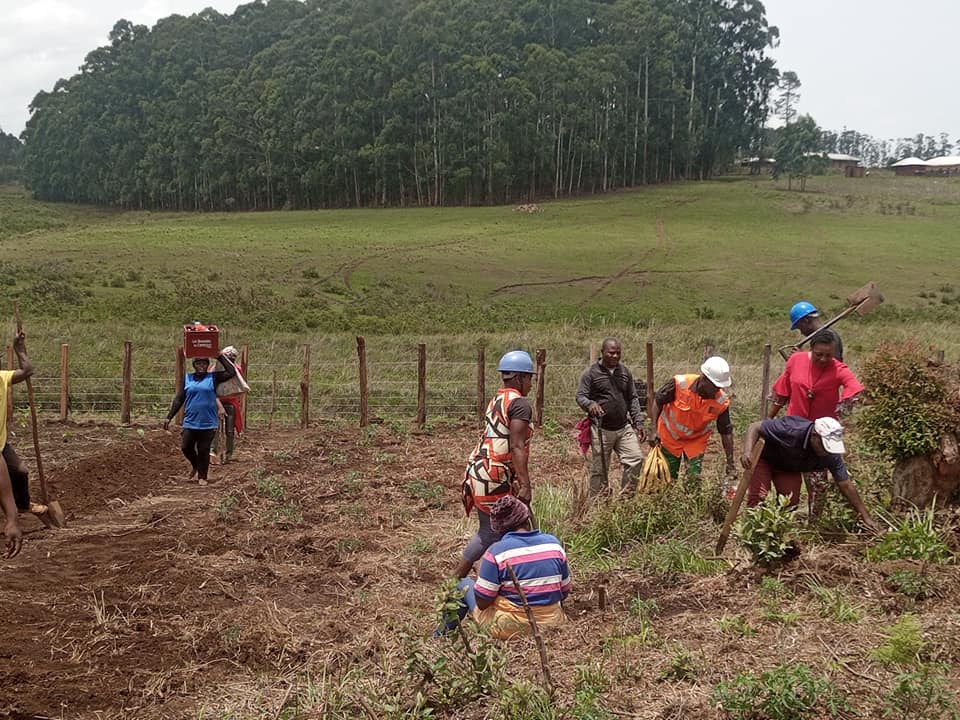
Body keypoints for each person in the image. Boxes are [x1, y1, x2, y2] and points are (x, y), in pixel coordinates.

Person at [456, 350, 535, 580]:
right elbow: (517, 446)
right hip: (494, 475)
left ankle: (493, 578)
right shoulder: (520, 404)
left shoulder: (498, 399)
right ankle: (458, 582)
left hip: (480, 472)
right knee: (503, 531)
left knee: (491, 532)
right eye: (529, 377)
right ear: (520, 377)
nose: (531, 383)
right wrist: (525, 485)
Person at [444, 495, 570, 639]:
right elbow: (564, 591)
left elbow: (483, 602)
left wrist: (480, 572)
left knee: (462, 584)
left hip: (511, 627)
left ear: (498, 529)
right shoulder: (553, 544)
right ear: (527, 519)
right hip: (551, 622)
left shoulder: (497, 551)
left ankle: (441, 635)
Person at [768, 329, 863, 518]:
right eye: (819, 354)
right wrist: (769, 419)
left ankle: (815, 523)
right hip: (794, 431)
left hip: (820, 436)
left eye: (828, 355)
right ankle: (784, 518)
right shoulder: (796, 360)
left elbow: (854, 388)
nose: (823, 359)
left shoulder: (838, 369)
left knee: (818, 482)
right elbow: (782, 391)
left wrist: (839, 411)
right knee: (788, 478)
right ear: (811, 349)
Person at [741, 416, 879, 533]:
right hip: (765, 459)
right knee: (759, 497)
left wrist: (865, 516)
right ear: (814, 436)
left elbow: (845, 485)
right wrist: (747, 452)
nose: (826, 451)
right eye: (824, 445)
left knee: (790, 503)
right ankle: (752, 532)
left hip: (788, 468)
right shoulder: (791, 428)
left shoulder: (831, 455)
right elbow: (755, 427)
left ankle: (776, 534)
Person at [575, 338, 646, 495]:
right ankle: (597, 504)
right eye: (611, 353)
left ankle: (626, 500)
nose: (615, 356)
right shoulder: (591, 373)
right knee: (600, 470)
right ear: (603, 353)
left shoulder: (625, 372)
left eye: (618, 353)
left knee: (636, 459)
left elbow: (633, 398)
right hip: (601, 428)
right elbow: (580, 396)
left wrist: (638, 422)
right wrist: (590, 404)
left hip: (623, 426)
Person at [651, 356, 735, 484]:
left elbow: (726, 432)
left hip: (696, 443)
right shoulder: (680, 384)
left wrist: (730, 462)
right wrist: (653, 430)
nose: (717, 390)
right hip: (670, 439)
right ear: (704, 379)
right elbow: (657, 401)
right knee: (667, 479)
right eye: (715, 386)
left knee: (693, 480)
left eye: (719, 387)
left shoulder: (721, 401)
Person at [164, 352, 236, 485]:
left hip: (208, 422)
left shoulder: (213, 377)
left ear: (207, 365)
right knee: (186, 447)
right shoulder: (188, 378)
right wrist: (169, 416)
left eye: (204, 363)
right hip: (190, 421)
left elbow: (231, 372)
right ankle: (196, 465)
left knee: (204, 449)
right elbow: (179, 399)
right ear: (194, 365)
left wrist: (219, 356)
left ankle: (202, 477)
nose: (201, 366)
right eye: (198, 363)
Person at [0, 331, 32, 557]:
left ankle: (22, 506)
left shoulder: (3, 377)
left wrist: (19, 350)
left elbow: (28, 371)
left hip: (1, 443)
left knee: (19, 471)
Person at [210, 346, 248, 464]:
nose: (230, 360)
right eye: (228, 358)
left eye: (232, 358)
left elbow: (239, 386)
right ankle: (212, 452)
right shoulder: (213, 369)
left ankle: (228, 454)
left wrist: (239, 401)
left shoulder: (236, 369)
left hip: (230, 401)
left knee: (229, 430)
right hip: (216, 400)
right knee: (214, 428)